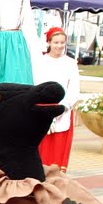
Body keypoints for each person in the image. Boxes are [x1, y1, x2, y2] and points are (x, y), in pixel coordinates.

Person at [33, 26, 81, 169]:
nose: (59, 46)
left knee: (57, 154)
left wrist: (62, 107)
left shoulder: (70, 63)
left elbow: (73, 89)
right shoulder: (39, 62)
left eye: (62, 43)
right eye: (56, 42)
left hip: (62, 111)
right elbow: (36, 86)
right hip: (41, 111)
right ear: (49, 43)